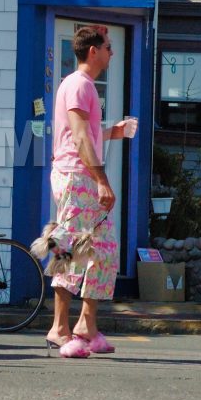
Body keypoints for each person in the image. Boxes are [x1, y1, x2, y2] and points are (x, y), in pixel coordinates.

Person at [40, 25, 137, 358]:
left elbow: (85, 133)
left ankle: (86, 325)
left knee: (104, 250)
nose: (112, 52)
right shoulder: (80, 84)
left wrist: (113, 132)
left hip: (79, 175)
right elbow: (79, 138)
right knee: (71, 249)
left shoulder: (82, 86)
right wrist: (102, 179)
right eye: (108, 47)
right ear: (92, 51)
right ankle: (59, 328)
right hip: (77, 177)